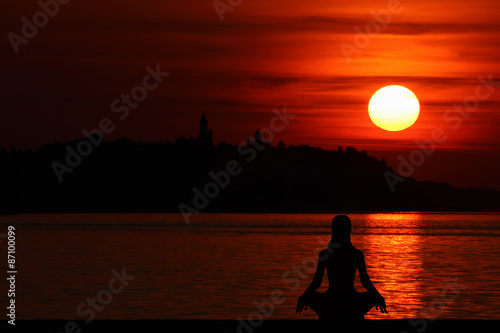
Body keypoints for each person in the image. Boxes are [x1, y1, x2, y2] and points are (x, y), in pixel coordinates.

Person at [295, 215, 387, 321]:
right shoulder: (356, 254)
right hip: (351, 300)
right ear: (349, 230)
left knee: (310, 296)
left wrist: (304, 296)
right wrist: (377, 296)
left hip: (331, 300)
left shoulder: (325, 254)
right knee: (372, 296)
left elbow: (317, 282)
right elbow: (365, 282)